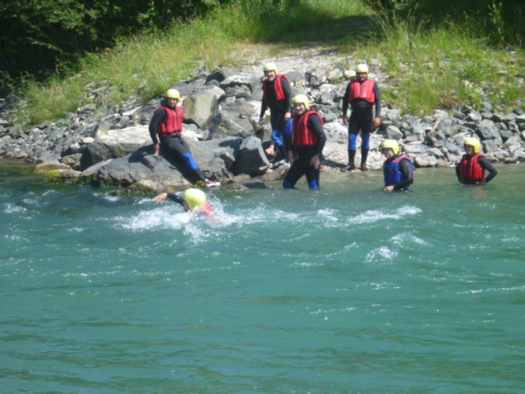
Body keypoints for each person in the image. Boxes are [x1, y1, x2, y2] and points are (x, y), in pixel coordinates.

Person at [149, 89, 220, 187]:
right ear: (167, 99)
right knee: (187, 157)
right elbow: (152, 127)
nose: (172, 101)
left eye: (174, 100)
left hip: (178, 137)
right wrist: (156, 143)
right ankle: (205, 180)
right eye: (170, 99)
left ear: (177, 101)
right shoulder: (161, 111)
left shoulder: (179, 110)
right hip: (168, 140)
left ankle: (195, 179)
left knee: (188, 157)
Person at [341, 64, 382, 172]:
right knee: (351, 138)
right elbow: (345, 100)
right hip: (355, 114)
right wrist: (344, 114)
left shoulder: (373, 83)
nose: (361, 76)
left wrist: (377, 116)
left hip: (367, 114)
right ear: (356, 74)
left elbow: (378, 100)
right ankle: (351, 163)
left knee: (365, 138)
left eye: (363, 74)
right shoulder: (351, 84)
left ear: (367, 74)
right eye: (359, 74)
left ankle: (363, 164)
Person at [283, 94, 326, 190]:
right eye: (295, 105)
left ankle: (314, 204)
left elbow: (322, 137)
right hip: (300, 158)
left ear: (306, 105)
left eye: (300, 105)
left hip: (311, 158)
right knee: (287, 184)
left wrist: (317, 156)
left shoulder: (312, 117)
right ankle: (298, 203)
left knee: (313, 188)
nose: (297, 108)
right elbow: (293, 137)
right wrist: (290, 151)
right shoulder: (297, 118)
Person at [259, 62, 292, 162]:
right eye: (267, 72)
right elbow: (265, 100)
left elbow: (289, 95)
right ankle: (281, 155)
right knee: (278, 135)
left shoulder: (281, 80)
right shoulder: (266, 83)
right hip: (274, 112)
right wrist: (261, 115)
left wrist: (288, 111)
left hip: (283, 111)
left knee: (275, 135)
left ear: (275, 72)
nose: (269, 74)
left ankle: (285, 157)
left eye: (271, 72)